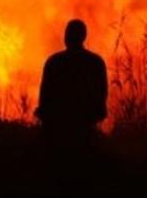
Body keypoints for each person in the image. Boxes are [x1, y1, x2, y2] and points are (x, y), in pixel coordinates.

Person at [35, 19, 107, 172]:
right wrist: (98, 112)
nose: (66, 36)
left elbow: (45, 92)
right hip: (84, 122)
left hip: (58, 124)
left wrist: (43, 113)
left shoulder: (54, 61)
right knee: (81, 165)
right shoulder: (95, 62)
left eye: (68, 33)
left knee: (57, 166)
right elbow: (102, 92)